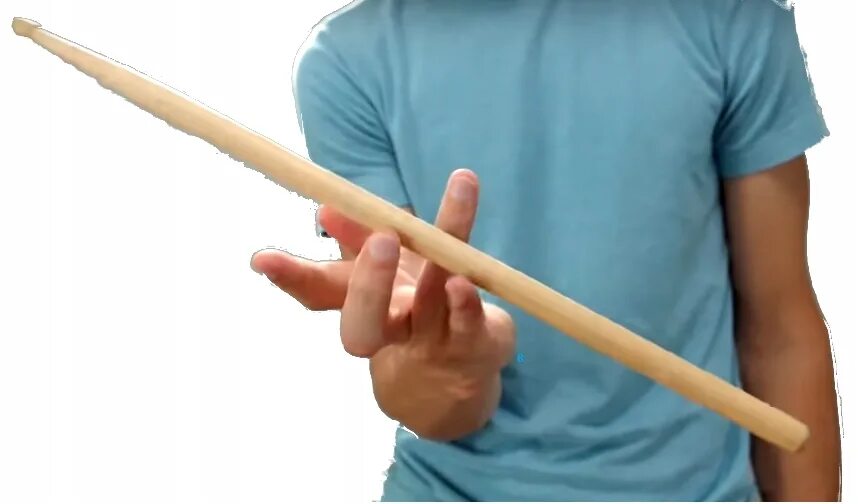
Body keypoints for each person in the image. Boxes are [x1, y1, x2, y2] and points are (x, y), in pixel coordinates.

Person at [250, 0, 841, 500]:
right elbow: (421, 400)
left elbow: (781, 331)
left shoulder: (732, 19)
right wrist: (450, 365)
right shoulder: (347, 61)